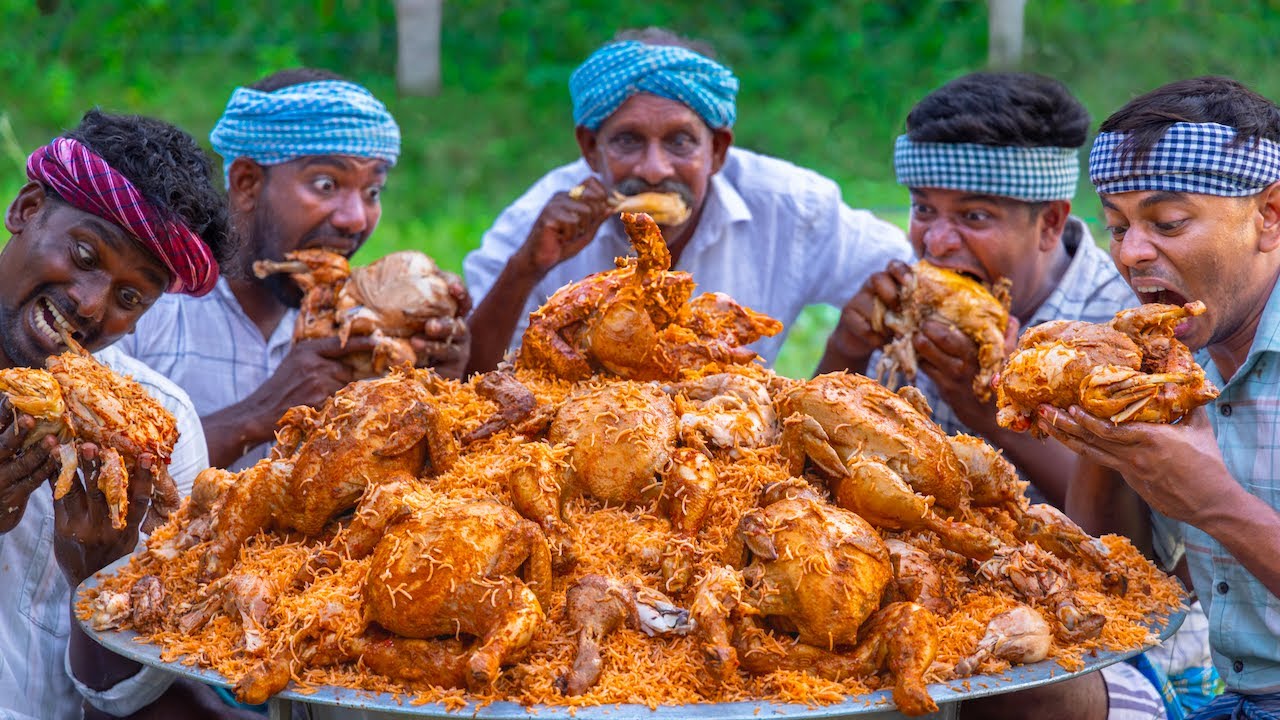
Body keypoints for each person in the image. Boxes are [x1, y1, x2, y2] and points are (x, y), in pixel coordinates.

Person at [1035, 76, 1280, 720]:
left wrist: (1218, 504)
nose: (1133, 254)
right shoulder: (1175, 358)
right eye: (1117, 227)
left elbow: (1213, 507)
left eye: (1167, 222)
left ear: (1270, 215)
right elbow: (1119, 578)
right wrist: (1098, 428)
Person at [463, 28, 910, 374]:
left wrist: (849, 345)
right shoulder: (537, 223)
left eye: (679, 142)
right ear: (589, 148)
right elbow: (468, 381)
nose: (655, 169)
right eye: (627, 141)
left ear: (716, 150)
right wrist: (527, 269)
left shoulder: (791, 208)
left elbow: (908, 274)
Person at [116, 68, 471, 471]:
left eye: (372, 191)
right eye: (326, 184)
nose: (356, 219)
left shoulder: (366, 330)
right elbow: (95, 483)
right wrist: (259, 414)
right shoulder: (144, 307)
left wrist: (436, 392)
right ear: (247, 182)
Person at [0, 109, 234, 718]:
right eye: (83, 255)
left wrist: (100, 579)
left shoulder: (157, 427)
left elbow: (121, 697)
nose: (89, 303)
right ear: (26, 209)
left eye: (130, 297)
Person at [815, 71, 1134, 509]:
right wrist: (847, 348)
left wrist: (986, 408)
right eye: (924, 208)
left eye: (975, 217)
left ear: (1050, 223)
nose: (936, 242)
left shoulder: (1118, 328)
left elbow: (1125, 530)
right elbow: (821, 455)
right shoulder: (904, 299)